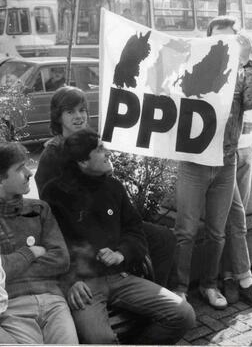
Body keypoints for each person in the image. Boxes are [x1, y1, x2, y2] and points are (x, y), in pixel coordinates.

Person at [41, 128, 195, 344]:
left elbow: (135, 229)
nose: (108, 152)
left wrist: (122, 254)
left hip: (121, 277)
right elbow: (51, 245)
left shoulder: (113, 187)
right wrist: (71, 281)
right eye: (100, 149)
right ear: (83, 162)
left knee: (183, 314)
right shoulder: (54, 194)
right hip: (84, 287)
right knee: (100, 339)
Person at [35, 86, 177, 288]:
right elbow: (49, 207)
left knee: (163, 238)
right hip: (81, 230)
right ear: (58, 117)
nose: (79, 116)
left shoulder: (91, 140)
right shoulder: (53, 154)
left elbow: (109, 190)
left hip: (108, 218)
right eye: (70, 111)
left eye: (82, 110)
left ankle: (158, 292)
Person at [174, 16, 252, 309]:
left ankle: (209, 285)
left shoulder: (243, 74)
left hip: (226, 162)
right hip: (194, 163)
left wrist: (246, 62)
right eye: (219, 40)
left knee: (217, 232)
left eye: (231, 40)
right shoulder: (190, 68)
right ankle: (179, 288)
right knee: (186, 230)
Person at [0, 142, 78, 344]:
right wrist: (31, 253)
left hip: (53, 302)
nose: (29, 173)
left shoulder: (40, 209)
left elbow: (61, 259)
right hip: (13, 309)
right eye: (19, 169)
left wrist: (11, 266)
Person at [221, 35, 252, 307]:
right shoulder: (217, 71)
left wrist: (247, 63)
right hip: (222, 154)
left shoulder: (251, 71)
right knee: (236, 216)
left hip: (246, 150)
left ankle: (229, 275)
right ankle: (245, 279)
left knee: (234, 219)